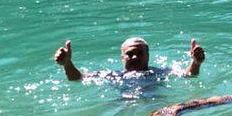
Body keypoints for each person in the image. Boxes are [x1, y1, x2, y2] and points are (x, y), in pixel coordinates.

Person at [54, 37, 205, 81]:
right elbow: (78, 78)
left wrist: (195, 63)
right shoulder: (112, 75)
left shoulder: (160, 73)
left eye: (140, 53)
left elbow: (189, 75)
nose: (135, 57)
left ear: (148, 56)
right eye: (130, 53)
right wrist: (67, 64)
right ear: (122, 57)